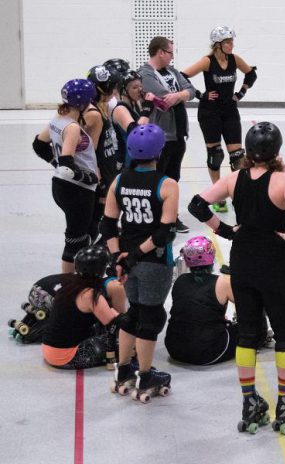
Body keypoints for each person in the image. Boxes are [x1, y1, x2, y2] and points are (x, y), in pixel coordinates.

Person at [187, 121, 285, 434]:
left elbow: (197, 205)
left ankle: (250, 401)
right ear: (277, 150)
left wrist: (226, 231)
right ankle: (284, 402)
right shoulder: (283, 180)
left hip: (242, 259)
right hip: (273, 260)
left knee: (248, 334)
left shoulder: (233, 178)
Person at [101, 123, 178, 401]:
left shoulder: (119, 181)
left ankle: (123, 371)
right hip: (154, 261)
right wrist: (134, 255)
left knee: (133, 313)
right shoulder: (166, 184)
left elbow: (107, 225)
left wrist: (117, 257)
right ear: (160, 150)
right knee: (151, 316)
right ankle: (145, 377)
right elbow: (164, 233)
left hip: (127, 260)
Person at [183, 26, 258, 213]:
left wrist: (240, 93)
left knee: (238, 157)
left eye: (232, 41)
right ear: (217, 45)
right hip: (210, 113)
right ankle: (217, 194)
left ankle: (237, 192)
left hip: (230, 110)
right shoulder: (207, 61)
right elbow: (182, 76)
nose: (231, 45)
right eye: (227, 42)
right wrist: (201, 95)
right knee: (215, 155)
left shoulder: (235, 59)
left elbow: (251, 74)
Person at [32, 79, 99, 273]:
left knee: (79, 235)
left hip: (61, 186)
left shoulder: (58, 118)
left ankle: (77, 277)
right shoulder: (72, 127)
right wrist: (88, 178)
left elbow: (38, 145)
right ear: (83, 103)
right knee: (75, 239)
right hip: (76, 189)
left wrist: (55, 163)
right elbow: (67, 164)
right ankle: (68, 285)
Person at [139, 36, 196, 233]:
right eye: (170, 52)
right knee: (159, 178)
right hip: (160, 136)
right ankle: (157, 218)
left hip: (179, 134)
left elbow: (192, 90)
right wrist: (181, 95)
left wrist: (179, 95)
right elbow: (164, 99)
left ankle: (171, 216)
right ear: (161, 52)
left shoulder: (172, 71)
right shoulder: (145, 74)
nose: (172, 57)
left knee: (173, 178)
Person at [41, 245, 124, 369]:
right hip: (66, 357)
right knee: (125, 343)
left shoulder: (69, 285)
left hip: (48, 351)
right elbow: (114, 324)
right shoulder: (91, 295)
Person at [164, 236, 240, 365]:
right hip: (208, 352)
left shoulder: (180, 280)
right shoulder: (222, 282)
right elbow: (248, 307)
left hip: (174, 348)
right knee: (248, 328)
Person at [10, 266, 126, 345]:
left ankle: (35, 324)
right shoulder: (110, 288)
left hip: (37, 290)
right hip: (45, 295)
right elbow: (115, 322)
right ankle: (38, 332)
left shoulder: (91, 277)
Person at [84, 65, 124, 240]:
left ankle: (102, 238)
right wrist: (97, 174)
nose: (115, 91)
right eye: (113, 87)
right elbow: (89, 149)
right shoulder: (93, 112)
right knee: (98, 214)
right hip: (100, 168)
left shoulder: (103, 106)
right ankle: (91, 245)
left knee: (108, 208)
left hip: (109, 165)